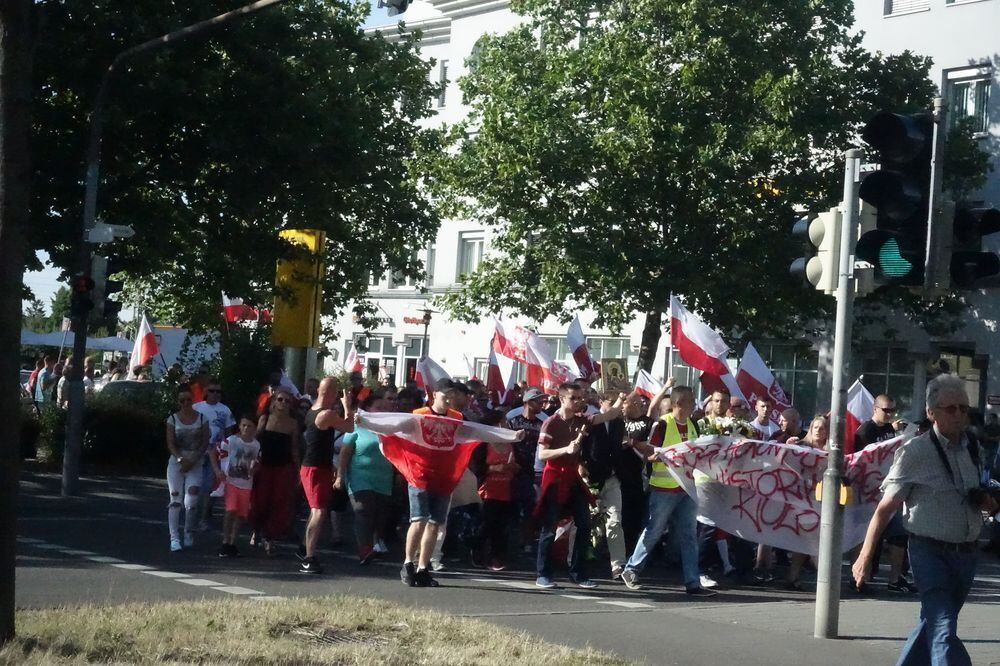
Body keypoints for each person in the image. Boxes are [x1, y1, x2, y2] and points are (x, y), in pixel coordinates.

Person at [852, 374, 999, 665]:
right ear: (931, 413)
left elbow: (977, 490)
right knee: (943, 627)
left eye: (963, 408)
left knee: (933, 622)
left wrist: (987, 501)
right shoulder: (914, 451)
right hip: (929, 551)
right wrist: (865, 555)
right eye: (951, 409)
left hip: (966, 554)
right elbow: (885, 507)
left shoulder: (972, 445)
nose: (959, 415)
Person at [621, 385, 716, 596]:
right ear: (679, 404)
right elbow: (650, 454)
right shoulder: (663, 424)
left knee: (689, 535)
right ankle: (631, 569)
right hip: (664, 488)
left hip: (687, 488)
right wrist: (662, 456)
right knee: (654, 529)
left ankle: (692, 582)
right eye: (691, 401)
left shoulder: (692, 424)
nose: (694, 405)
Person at [535, 382, 623, 590]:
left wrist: (621, 396)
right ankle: (543, 574)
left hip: (573, 477)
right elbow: (542, 454)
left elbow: (610, 415)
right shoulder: (551, 423)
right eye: (574, 398)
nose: (579, 402)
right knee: (549, 527)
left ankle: (578, 573)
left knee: (584, 524)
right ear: (562, 399)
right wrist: (566, 449)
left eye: (581, 398)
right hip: (555, 477)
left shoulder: (582, 420)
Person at [401, 378, 465, 587]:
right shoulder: (419, 415)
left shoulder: (457, 417)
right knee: (418, 520)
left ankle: (423, 567)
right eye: (445, 393)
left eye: (453, 394)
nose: (450, 397)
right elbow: (396, 426)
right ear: (434, 394)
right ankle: (408, 563)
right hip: (419, 475)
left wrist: (509, 436)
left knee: (435, 524)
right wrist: (365, 419)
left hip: (443, 477)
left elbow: (475, 432)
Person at [853, 393, 914, 594]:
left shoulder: (889, 429)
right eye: (886, 410)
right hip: (869, 494)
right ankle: (861, 578)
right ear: (875, 409)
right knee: (870, 537)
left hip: (889, 491)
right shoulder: (865, 431)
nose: (890, 414)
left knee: (898, 535)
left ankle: (895, 579)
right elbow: (859, 461)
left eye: (892, 410)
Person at [299, 377, 355, 574]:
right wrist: (347, 407)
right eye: (336, 392)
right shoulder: (326, 414)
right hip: (314, 468)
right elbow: (350, 427)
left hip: (318, 466)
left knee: (317, 509)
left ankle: (305, 548)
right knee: (319, 511)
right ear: (329, 393)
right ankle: (309, 557)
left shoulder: (312, 409)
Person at [337, 394, 396, 564]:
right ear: (368, 408)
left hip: (384, 478)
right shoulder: (357, 425)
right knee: (363, 510)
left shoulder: (391, 429)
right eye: (379, 407)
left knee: (380, 515)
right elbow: (345, 452)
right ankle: (365, 549)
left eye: (386, 408)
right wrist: (340, 475)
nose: (383, 411)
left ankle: (376, 544)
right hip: (359, 476)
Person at [252, 389, 301, 556]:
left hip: (284, 466)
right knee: (261, 500)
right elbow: (255, 440)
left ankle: (269, 537)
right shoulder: (265, 419)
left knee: (279, 501)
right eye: (280, 400)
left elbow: (294, 448)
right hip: (265, 465)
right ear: (273, 401)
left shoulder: (293, 424)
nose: (283, 403)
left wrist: (299, 469)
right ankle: (257, 529)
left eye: (287, 401)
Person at [784, 416, 829, 590]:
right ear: (810, 429)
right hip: (802, 501)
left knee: (807, 541)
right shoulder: (801, 446)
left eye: (822, 428)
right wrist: (788, 447)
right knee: (812, 540)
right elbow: (785, 463)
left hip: (822, 501)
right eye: (815, 427)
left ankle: (792, 576)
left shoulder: (831, 451)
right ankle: (826, 581)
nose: (818, 430)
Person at [165, 385, 210, 551]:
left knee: (191, 499)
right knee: (175, 499)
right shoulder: (173, 419)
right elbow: (170, 443)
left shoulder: (201, 419)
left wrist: (194, 459)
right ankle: (174, 538)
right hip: (177, 463)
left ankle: (189, 532)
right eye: (182, 400)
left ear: (193, 400)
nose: (185, 403)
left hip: (195, 462)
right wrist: (180, 458)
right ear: (178, 402)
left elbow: (205, 441)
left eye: (188, 400)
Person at [213, 414, 261, 558]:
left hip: (246, 483)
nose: (246, 428)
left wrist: (254, 469)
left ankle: (232, 542)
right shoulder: (231, 441)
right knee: (230, 510)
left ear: (255, 428)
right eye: (243, 425)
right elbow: (213, 452)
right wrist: (217, 471)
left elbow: (258, 461)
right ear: (239, 426)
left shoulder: (256, 444)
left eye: (249, 426)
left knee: (241, 514)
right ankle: (225, 541)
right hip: (231, 481)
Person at [506, 387, 547, 554]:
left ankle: (527, 541)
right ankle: (509, 540)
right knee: (511, 506)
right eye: (539, 401)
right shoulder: (512, 421)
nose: (542, 405)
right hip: (513, 468)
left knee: (530, 506)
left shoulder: (542, 422)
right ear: (528, 402)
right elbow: (505, 443)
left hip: (533, 470)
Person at [193, 378, 237, 530]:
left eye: (218, 391)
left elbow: (229, 433)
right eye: (212, 391)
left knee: (210, 486)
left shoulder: (225, 410)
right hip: (198, 451)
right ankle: (194, 514)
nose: (215, 394)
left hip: (216, 452)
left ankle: (204, 518)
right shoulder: (197, 408)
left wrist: (228, 453)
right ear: (205, 392)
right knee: (195, 484)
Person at [478, 410, 518, 570]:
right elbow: (477, 466)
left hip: (506, 489)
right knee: (486, 524)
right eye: (504, 421)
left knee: (502, 527)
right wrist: (496, 467)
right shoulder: (483, 444)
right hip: (487, 490)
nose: (507, 425)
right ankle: (478, 551)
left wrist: (515, 467)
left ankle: (497, 557)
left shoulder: (510, 443)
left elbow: (520, 464)